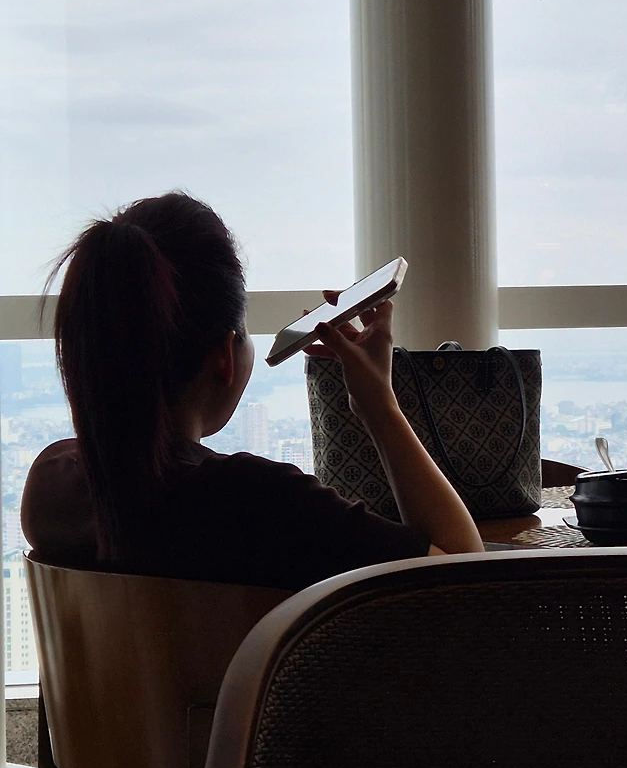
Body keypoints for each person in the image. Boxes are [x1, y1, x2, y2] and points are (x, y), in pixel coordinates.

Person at [21, 192, 484, 591]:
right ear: (225, 355)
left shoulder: (51, 486)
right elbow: (469, 580)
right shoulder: (263, 504)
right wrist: (379, 403)